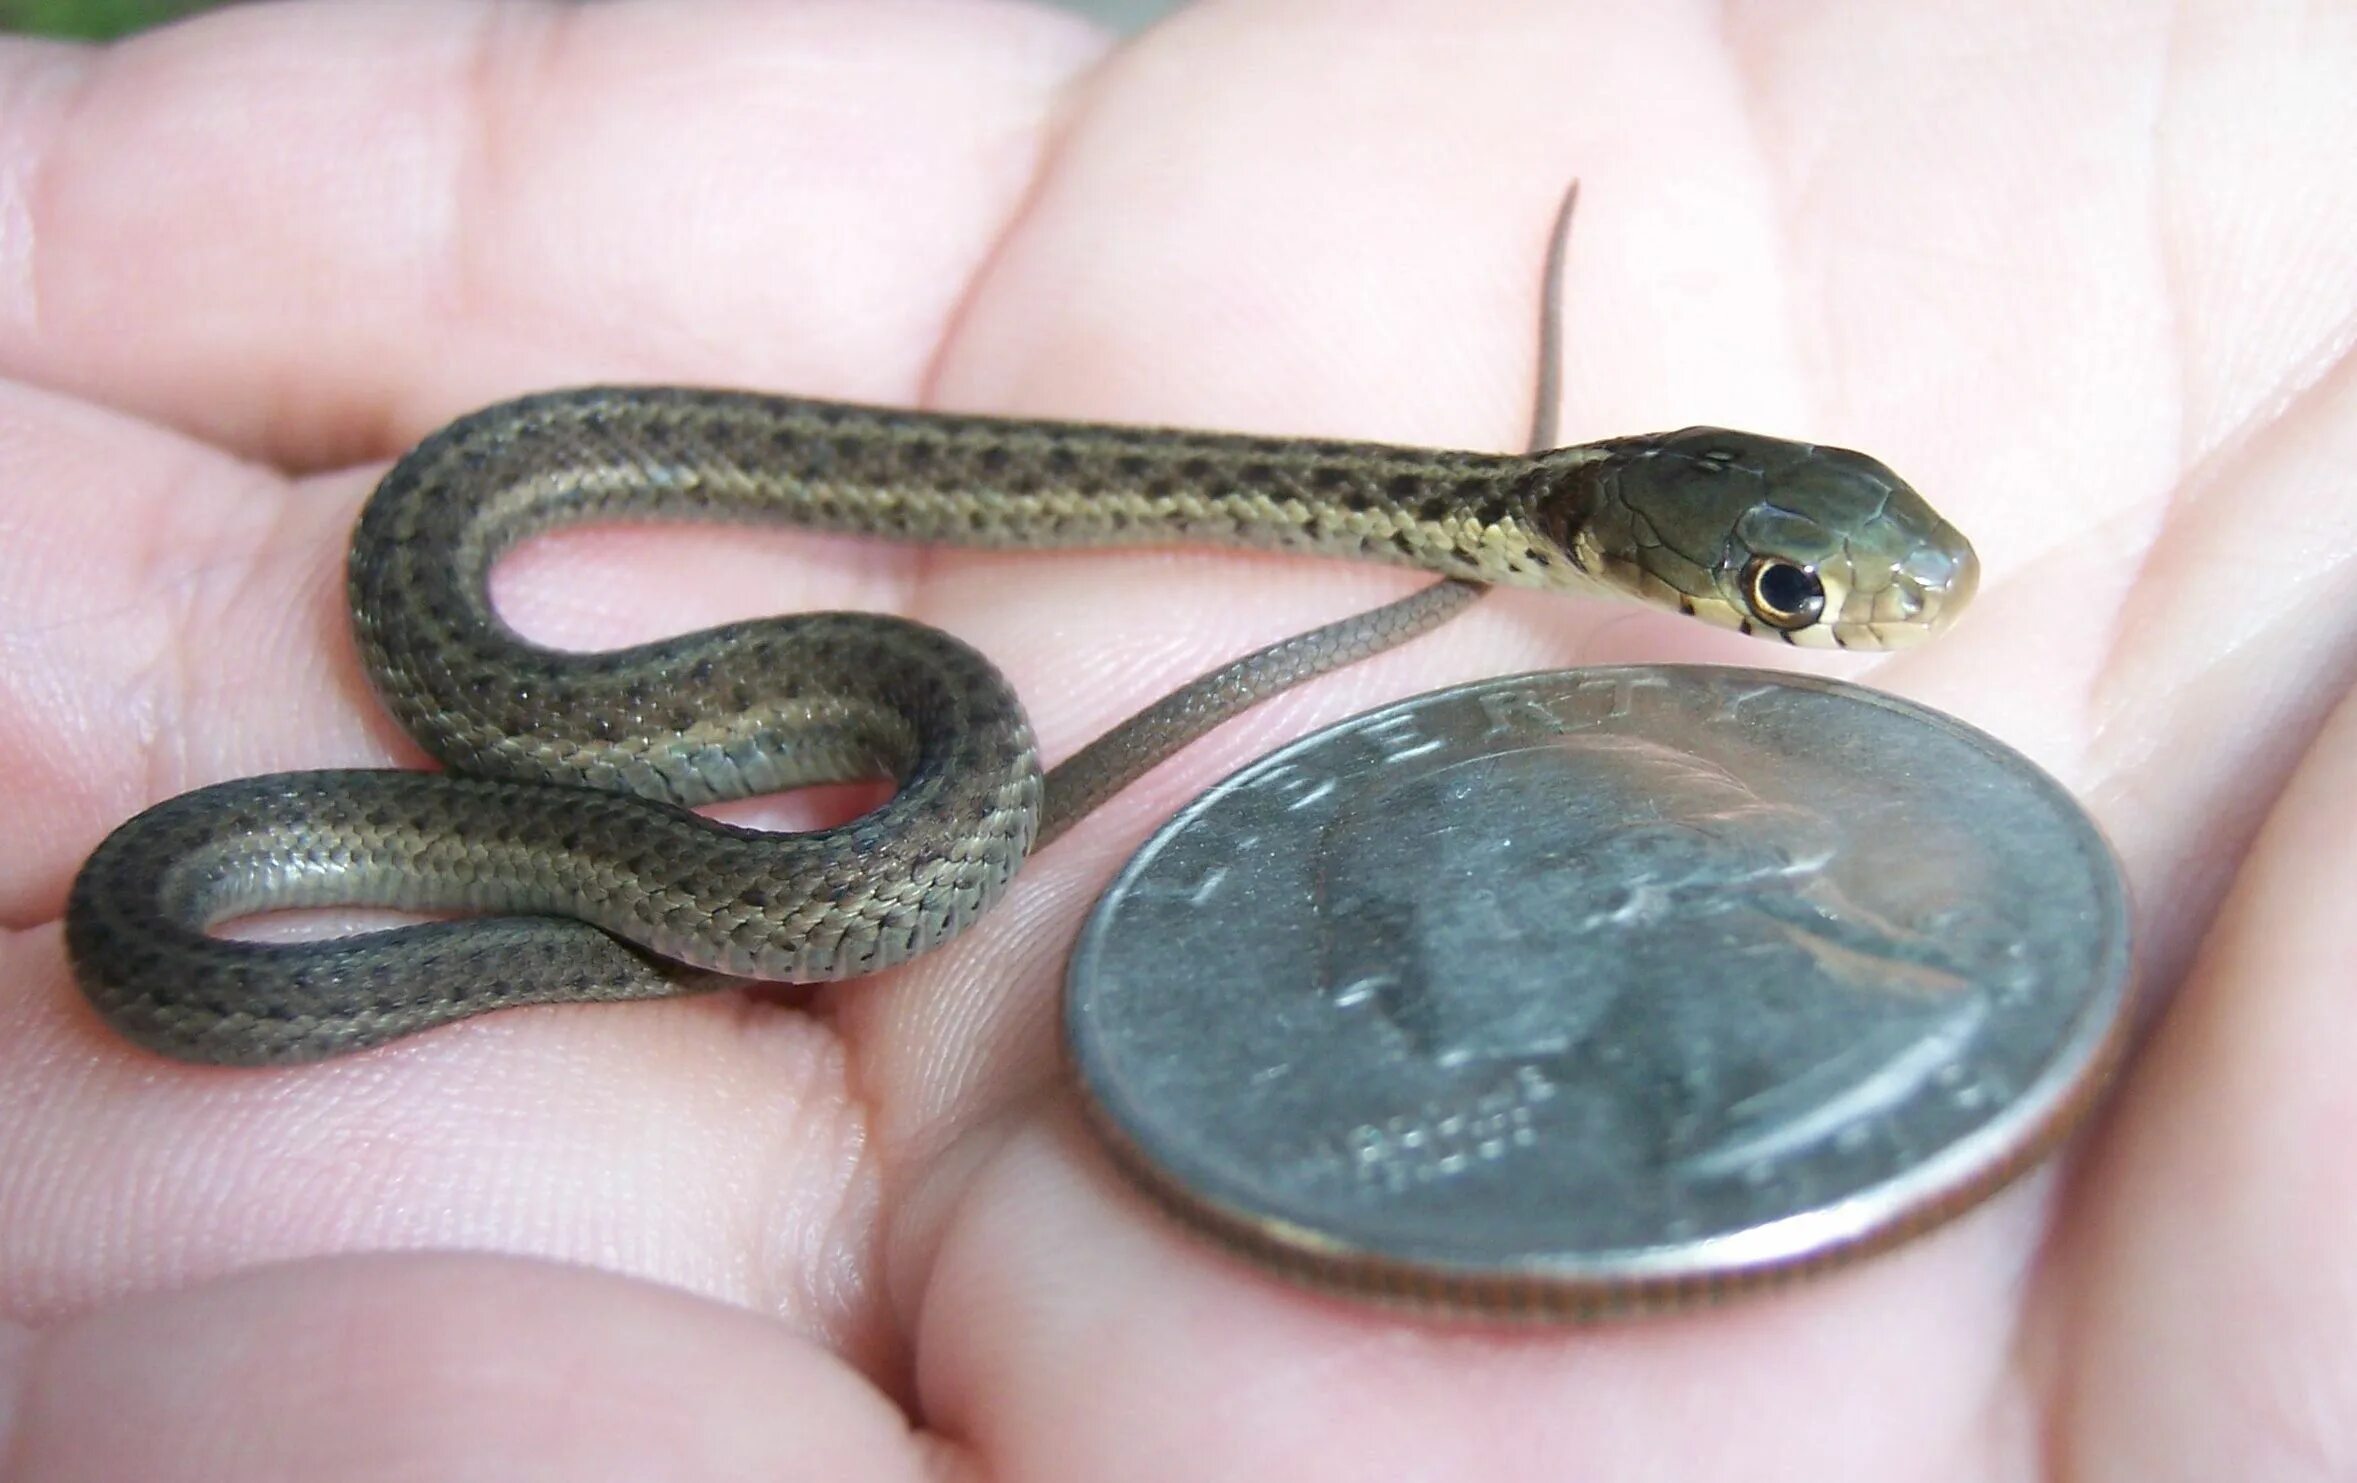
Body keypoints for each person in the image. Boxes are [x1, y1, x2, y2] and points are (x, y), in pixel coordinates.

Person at [1, 2, 2350, 1476]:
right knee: (751, 791)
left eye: (1795, 592)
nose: (1805, 622)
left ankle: (675, 918)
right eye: (1789, 596)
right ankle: (654, 920)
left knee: (850, 811)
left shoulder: (1564, 529)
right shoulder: (1497, 519)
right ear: (1646, 538)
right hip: (638, 740)